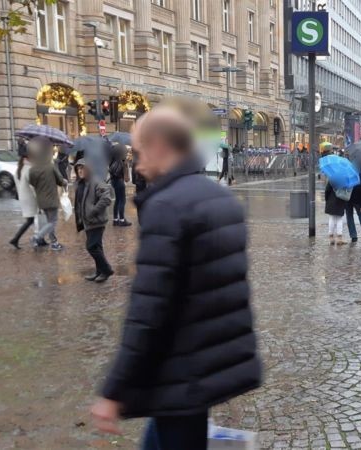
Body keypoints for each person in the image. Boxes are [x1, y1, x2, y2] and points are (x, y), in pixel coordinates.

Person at [90, 107, 262, 449]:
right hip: (207, 363)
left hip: (181, 372)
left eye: (138, 152)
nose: (136, 165)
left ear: (158, 146)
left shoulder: (168, 206)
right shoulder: (220, 197)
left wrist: (113, 391)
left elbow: (148, 310)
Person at [74, 159, 115, 282]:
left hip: (96, 221)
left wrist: (93, 211)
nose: (80, 171)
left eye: (83, 168)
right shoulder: (82, 183)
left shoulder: (96, 181)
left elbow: (106, 198)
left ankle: (106, 270)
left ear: (88, 169)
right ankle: (100, 272)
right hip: (88, 221)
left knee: (91, 247)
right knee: (97, 247)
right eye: (78, 169)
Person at [28, 138, 68, 250]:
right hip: (51, 199)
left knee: (50, 221)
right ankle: (37, 237)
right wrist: (65, 182)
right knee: (53, 221)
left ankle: (54, 242)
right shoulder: (50, 167)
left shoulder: (33, 169)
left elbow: (31, 182)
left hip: (41, 200)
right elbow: (60, 180)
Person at [9, 153, 39, 249]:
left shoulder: (19, 169)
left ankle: (17, 239)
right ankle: (16, 239)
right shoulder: (29, 169)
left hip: (24, 198)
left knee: (31, 220)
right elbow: (33, 187)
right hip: (30, 198)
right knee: (31, 220)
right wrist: (38, 198)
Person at [109, 144, 132, 227]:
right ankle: (122, 220)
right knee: (122, 200)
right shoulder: (120, 162)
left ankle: (115, 219)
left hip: (114, 182)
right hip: (119, 182)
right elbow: (124, 175)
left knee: (117, 200)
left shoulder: (112, 161)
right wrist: (125, 162)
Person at [324, 179, 348, 245]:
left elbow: (327, 190)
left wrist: (327, 199)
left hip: (331, 200)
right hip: (340, 200)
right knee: (339, 219)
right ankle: (339, 238)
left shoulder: (332, 178)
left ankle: (331, 237)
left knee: (331, 218)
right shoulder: (344, 179)